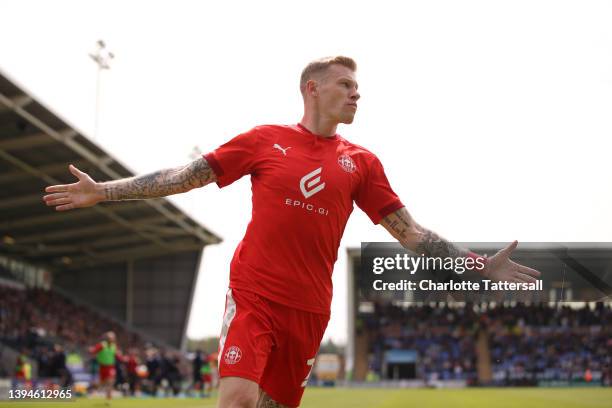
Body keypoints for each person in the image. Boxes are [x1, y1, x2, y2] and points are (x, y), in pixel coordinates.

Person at [43, 56, 540, 407]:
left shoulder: (362, 163)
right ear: (313, 88)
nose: (356, 92)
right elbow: (183, 176)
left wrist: (476, 266)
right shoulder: (264, 141)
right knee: (237, 400)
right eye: (345, 83)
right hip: (255, 293)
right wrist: (104, 191)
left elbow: (408, 231)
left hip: (309, 309)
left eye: (356, 86)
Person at [89, 331, 122, 401]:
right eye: (111, 338)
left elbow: (117, 356)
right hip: (102, 366)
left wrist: (122, 358)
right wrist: (92, 351)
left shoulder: (114, 346)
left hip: (110, 366)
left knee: (111, 381)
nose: (112, 339)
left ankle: (108, 398)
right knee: (102, 383)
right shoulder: (102, 345)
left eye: (113, 338)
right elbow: (94, 351)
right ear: (107, 338)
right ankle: (93, 388)